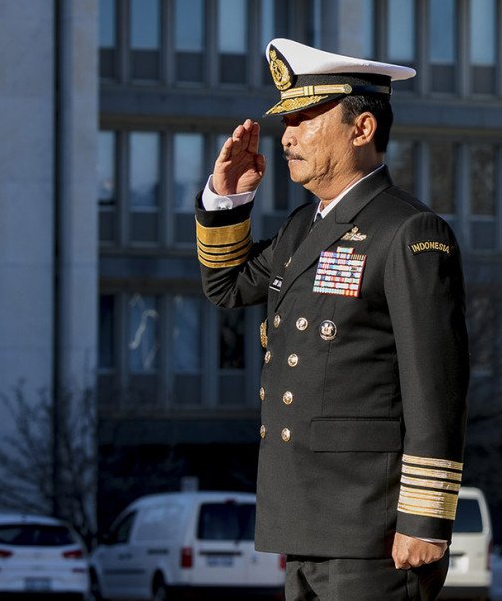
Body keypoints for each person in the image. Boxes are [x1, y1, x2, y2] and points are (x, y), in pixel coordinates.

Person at [195, 38, 470, 601]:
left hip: (372, 527)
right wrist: (228, 199)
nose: (286, 137)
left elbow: (436, 386)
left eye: (304, 119)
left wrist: (425, 518)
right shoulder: (303, 226)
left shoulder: (409, 231)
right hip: (303, 520)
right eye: (286, 121)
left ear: (361, 129)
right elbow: (228, 286)